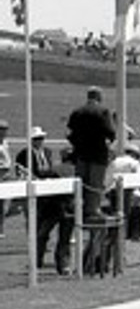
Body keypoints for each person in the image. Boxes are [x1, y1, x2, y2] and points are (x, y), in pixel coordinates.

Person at [15, 127, 72, 275]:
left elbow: (49, 170)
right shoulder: (24, 154)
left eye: (41, 138)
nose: (39, 141)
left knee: (54, 233)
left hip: (52, 198)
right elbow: (22, 170)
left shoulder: (48, 153)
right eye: (36, 139)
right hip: (39, 193)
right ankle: (37, 259)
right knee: (41, 230)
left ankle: (60, 262)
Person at [65, 86, 116, 220]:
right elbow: (111, 132)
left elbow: (69, 133)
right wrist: (108, 142)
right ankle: (93, 211)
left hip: (81, 155)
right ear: (99, 97)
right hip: (98, 156)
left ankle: (78, 209)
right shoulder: (103, 111)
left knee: (81, 184)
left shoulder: (77, 112)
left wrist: (77, 144)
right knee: (95, 185)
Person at [107, 143, 140, 242]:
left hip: (113, 191)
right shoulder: (134, 163)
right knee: (125, 215)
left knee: (114, 214)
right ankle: (123, 237)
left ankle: (114, 236)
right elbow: (139, 180)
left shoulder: (114, 162)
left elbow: (108, 179)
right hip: (127, 191)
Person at [0, 118, 11, 236]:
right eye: (2, 129)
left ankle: (1, 228)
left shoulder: (5, 143)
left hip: (6, 175)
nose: (3, 132)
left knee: (4, 205)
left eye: (5, 129)